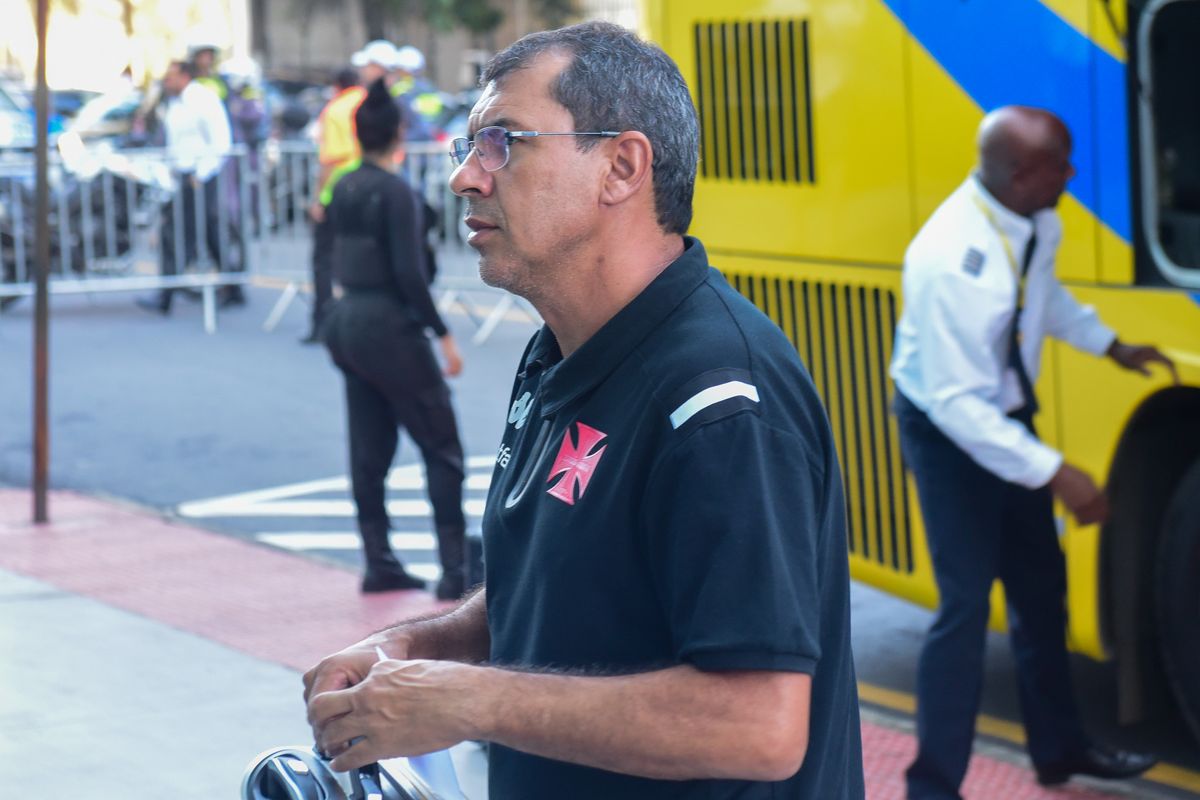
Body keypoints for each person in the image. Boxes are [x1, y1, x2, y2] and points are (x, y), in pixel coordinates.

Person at [305, 22, 864, 799]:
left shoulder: (718, 399)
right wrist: (417, 648)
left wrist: (469, 702)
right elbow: (561, 582)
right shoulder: (561, 350)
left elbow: (759, 725)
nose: (467, 176)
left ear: (621, 166)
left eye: (502, 141)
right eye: (471, 146)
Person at [889, 106, 1173, 799]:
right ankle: (933, 785)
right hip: (947, 426)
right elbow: (958, 406)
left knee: (1041, 590)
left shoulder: (1039, 220)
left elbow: (1042, 302)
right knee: (964, 606)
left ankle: (1060, 752)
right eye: (1061, 164)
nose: (1073, 175)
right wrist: (1060, 475)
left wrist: (1111, 344)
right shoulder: (952, 260)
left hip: (1003, 410)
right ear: (1022, 174)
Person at [320, 79, 468, 599]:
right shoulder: (396, 192)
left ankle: (378, 560)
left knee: (369, 446)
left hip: (347, 321)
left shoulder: (343, 184)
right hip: (388, 325)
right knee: (442, 444)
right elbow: (410, 274)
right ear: (398, 135)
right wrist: (443, 334)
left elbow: (324, 255)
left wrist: (325, 315)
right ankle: (455, 569)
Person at [137, 60, 240, 314]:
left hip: (199, 177)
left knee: (176, 235)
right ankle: (233, 287)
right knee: (207, 232)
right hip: (184, 176)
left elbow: (220, 141)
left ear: (184, 76)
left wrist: (201, 174)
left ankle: (166, 296)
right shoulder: (175, 103)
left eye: (170, 77)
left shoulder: (203, 100)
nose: (166, 82)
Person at [304, 66, 366, 344]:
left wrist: (318, 198)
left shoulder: (336, 109)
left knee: (324, 262)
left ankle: (324, 323)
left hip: (338, 192)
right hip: (370, 188)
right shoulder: (371, 102)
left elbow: (330, 158)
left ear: (336, 85)